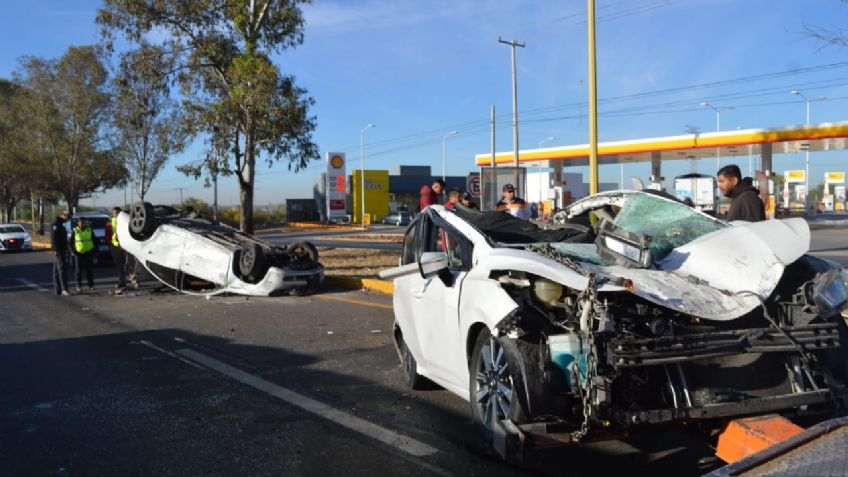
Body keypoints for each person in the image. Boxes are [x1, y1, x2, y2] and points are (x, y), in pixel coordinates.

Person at [70, 217, 99, 292]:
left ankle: (91, 285)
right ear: (78, 223)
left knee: (89, 270)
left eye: (84, 222)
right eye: (81, 222)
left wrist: (95, 250)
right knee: (78, 271)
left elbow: (94, 240)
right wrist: (72, 251)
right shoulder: (75, 230)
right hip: (78, 253)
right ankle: (79, 286)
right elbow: (70, 242)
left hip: (88, 252)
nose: (82, 224)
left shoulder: (89, 229)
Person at [107, 207, 128, 290]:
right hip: (115, 246)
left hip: (126, 246)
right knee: (119, 266)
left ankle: (134, 280)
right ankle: (121, 282)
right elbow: (108, 235)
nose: (116, 214)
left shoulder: (126, 222)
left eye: (118, 212)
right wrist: (111, 244)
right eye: (114, 213)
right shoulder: (109, 223)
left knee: (129, 265)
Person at [51, 212, 71, 296]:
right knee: (62, 269)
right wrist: (56, 249)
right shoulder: (56, 224)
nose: (67, 220)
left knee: (56, 270)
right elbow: (54, 238)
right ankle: (64, 289)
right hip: (59, 250)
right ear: (63, 216)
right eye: (67, 218)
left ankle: (58, 289)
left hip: (61, 249)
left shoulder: (60, 224)